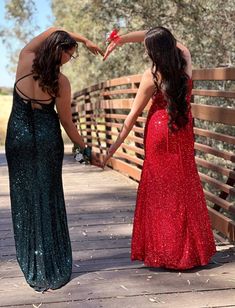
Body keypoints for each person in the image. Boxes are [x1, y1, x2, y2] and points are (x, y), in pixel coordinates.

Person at [102, 27, 216, 269]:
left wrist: (111, 150)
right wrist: (122, 39)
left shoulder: (152, 75)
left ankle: (165, 251)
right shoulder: (185, 61)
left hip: (159, 131)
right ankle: (190, 252)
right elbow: (163, 36)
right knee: (184, 185)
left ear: (153, 51)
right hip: (182, 130)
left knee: (159, 190)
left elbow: (131, 116)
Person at [5, 27, 103, 292]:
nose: (70, 59)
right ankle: (52, 262)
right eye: (71, 54)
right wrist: (86, 151)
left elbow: (52, 29)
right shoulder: (61, 82)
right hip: (48, 139)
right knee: (49, 197)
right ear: (61, 52)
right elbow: (68, 125)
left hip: (18, 136)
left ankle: (31, 259)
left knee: (25, 197)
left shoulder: (25, 58)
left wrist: (82, 38)